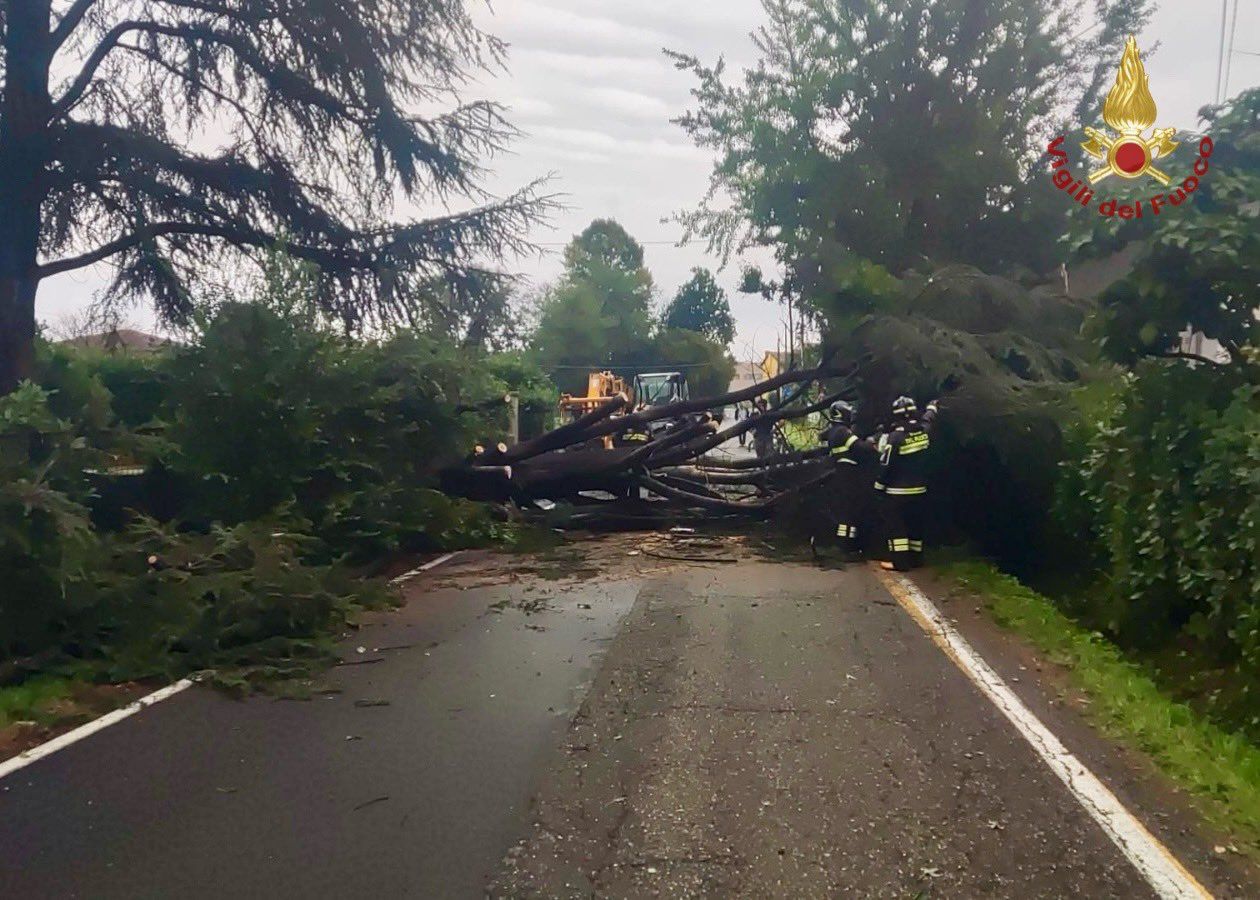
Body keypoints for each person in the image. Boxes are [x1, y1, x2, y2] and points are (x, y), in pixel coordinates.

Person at [875, 395, 940, 571]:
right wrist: (932, 407)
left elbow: (886, 464)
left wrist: (879, 486)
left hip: (897, 492)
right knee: (915, 524)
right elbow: (929, 419)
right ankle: (916, 559)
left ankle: (900, 563)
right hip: (920, 490)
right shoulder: (924, 431)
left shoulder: (895, 438)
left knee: (896, 527)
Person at [817, 400, 877, 553]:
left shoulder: (834, 431)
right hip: (848, 476)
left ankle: (845, 544)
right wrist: (871, 442)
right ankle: (847, 546)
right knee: (849, 511)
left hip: (840, 475)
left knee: (845, 512)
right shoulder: (843, 432)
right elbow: (861, 448)